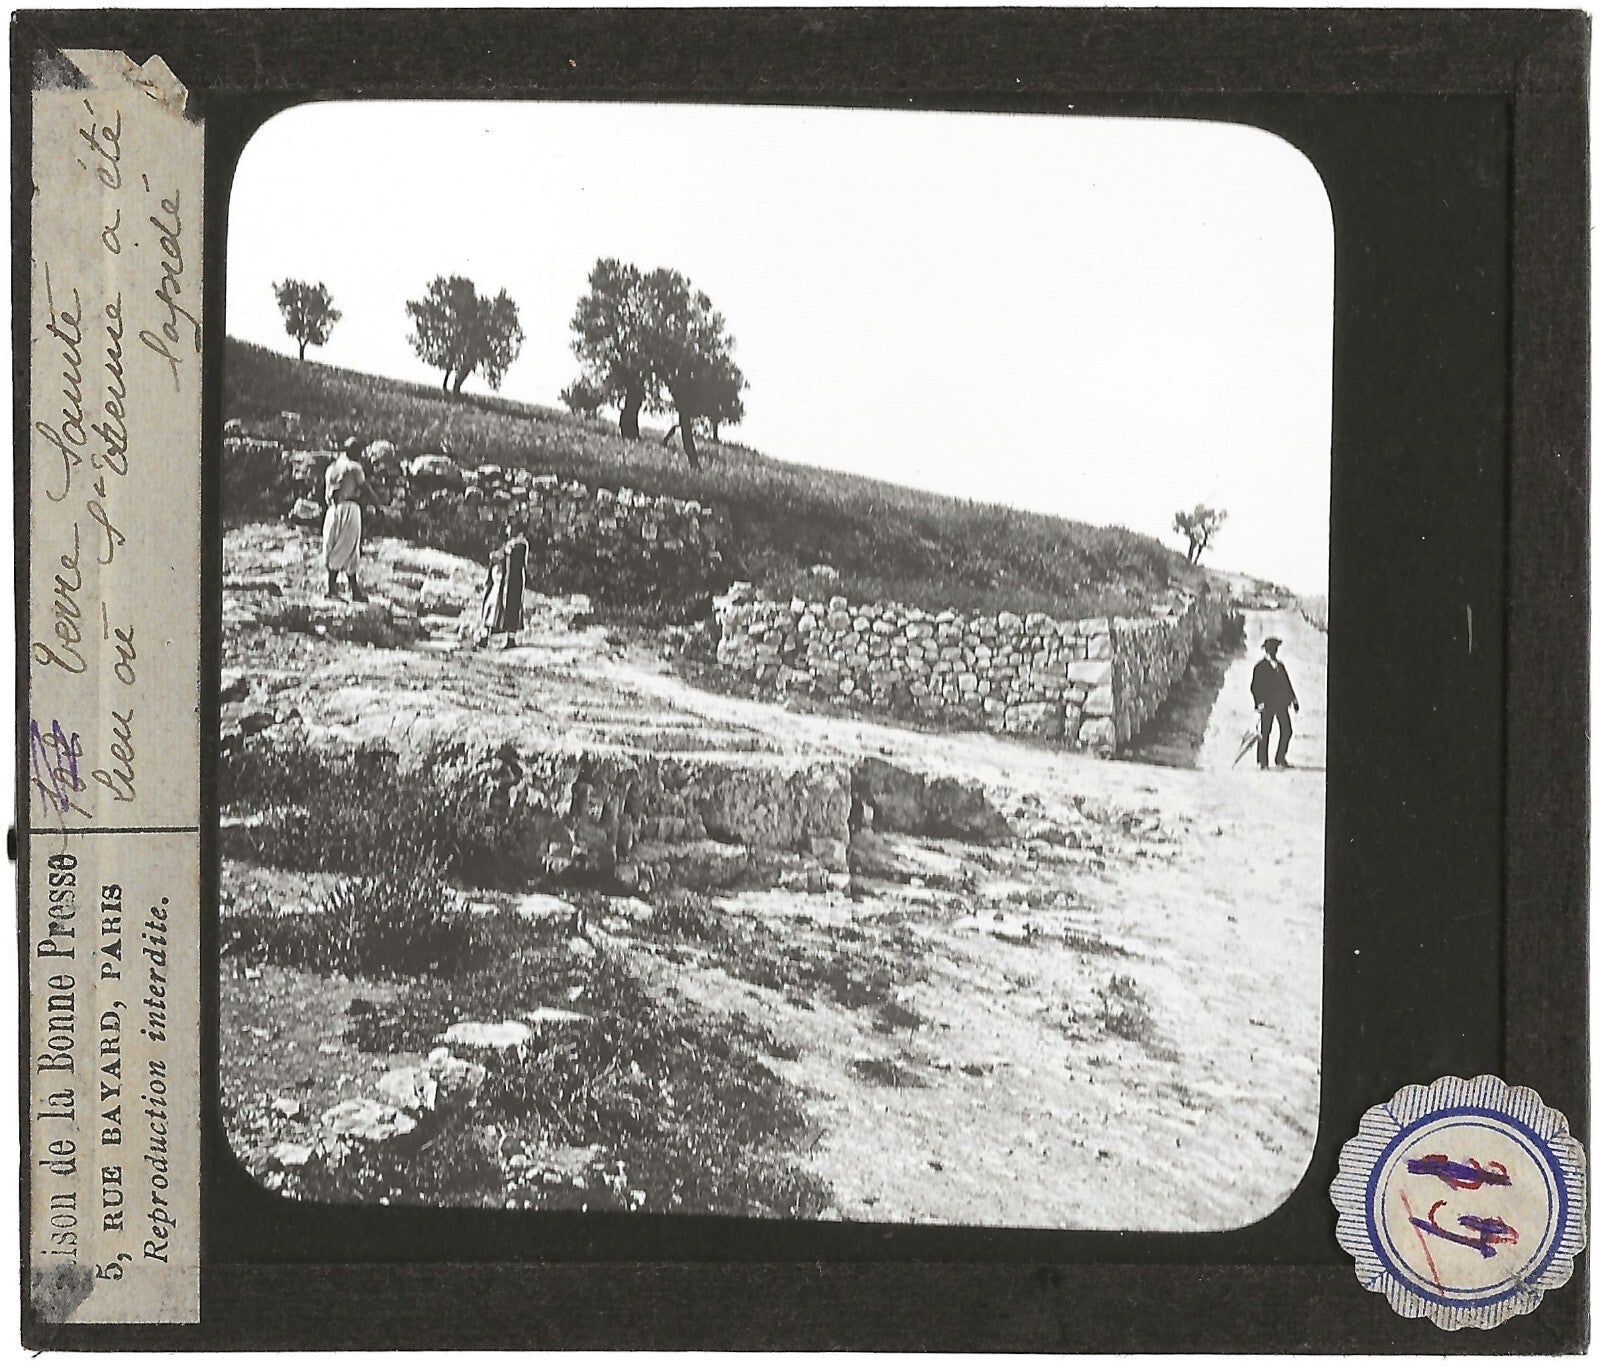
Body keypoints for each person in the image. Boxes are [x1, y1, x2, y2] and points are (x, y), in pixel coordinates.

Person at [322, 438, 373, 601]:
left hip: (332, 511)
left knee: (334, 544)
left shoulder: (332, 468)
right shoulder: (354, 467)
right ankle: (333, 588)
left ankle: (351, 589)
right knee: (348, 547)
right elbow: (366, 488)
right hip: (350, 508)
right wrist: (378, 507)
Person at [1251, 635, 1300, 769]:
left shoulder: (1280, 666)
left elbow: (1287, 684)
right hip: (1267, 705)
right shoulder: (1260, 667)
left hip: (1281, 704)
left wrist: (1294, 699)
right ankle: (1262, 762)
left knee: (1287, 730)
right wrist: (1259, 703)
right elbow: (1255, 687)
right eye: (1273, 649)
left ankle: (1280, 758)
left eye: (1276, 649)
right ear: (1267, 650)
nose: (1275, 652)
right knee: (1265, 732)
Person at [479, 532, 531, 637]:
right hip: (498, 580)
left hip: (512, 582)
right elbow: (495, 556)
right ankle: (485, 635)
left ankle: (510, 638)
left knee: (512, 607)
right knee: (492, 606)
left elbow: (519, 562)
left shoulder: (520, 544)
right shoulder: (502, 541)